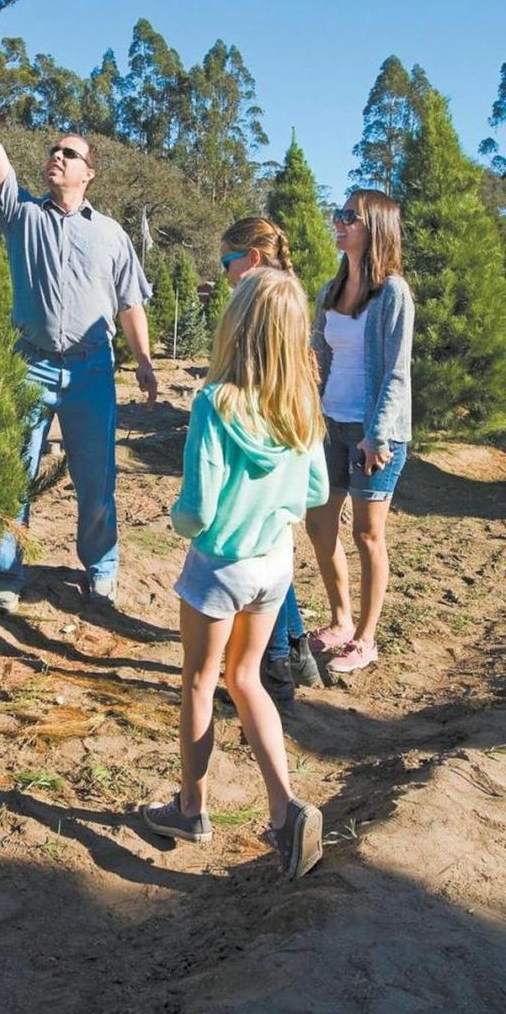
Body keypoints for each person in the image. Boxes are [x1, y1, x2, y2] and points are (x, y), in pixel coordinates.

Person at [0, 6, 157, 614]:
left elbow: (129, 302)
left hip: (93, 369)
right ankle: (6, 574)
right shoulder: (23, 215)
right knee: (11, 477)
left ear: (89, 172)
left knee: (96, 481)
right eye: (52, 150)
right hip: (31, 365)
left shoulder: (113, 235)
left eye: (69, 153)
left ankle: (101, 568)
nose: (56, 157)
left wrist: (145, 361)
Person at [143, 269, 327, 879]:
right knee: (246, 678)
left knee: (199, 684)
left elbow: (197, 509)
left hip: (220, 566)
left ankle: (191, 808)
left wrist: (180, 522)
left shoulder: (216, 404)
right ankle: (284, 809)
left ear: (237, 327)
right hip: (275, 562)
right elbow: (319, 489)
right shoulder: (304, 402)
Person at [305, 190, 414, 673]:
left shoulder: (393, 292)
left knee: (368, 535)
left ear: (376, 229)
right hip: (331, 425)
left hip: (375, 433)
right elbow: (318, 356)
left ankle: (366, 640)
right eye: (339, 214)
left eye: (351, 217)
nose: (339, 222)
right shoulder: (332, 287)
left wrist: (378, 435)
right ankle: (340, 620)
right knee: (319, 525)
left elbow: (396, 372)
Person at [219, 218, 322, 705]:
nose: (224, 275)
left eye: (227, 262)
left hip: (264, 449)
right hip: (291, 456)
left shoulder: (263, 305)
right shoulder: (290, 296)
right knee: (275, 558)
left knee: (260, 557)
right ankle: (299, 652)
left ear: (252, 260)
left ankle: (274, 671)